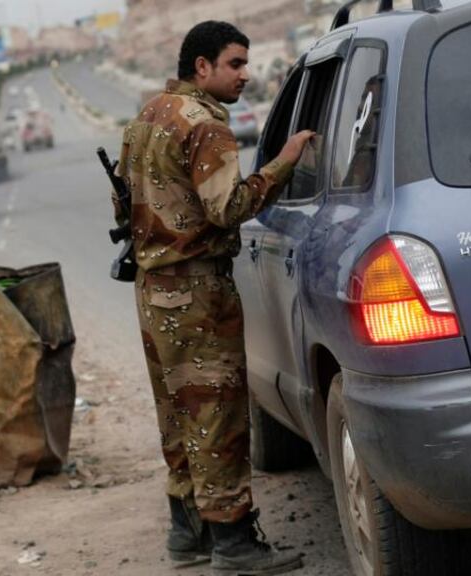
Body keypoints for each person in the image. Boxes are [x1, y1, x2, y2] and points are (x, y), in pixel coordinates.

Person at [113, 20, 313, 575]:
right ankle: (233, 543)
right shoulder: (205, 125)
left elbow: (125, 208)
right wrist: (286, 161)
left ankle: (188, 534)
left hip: (155, 289)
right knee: (218, 414)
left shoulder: (146, 118)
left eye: (246, 64)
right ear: (202, 67)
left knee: (179, 414)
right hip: (198, 289)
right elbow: (228, 207)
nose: (245, 75)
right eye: (235, 64)